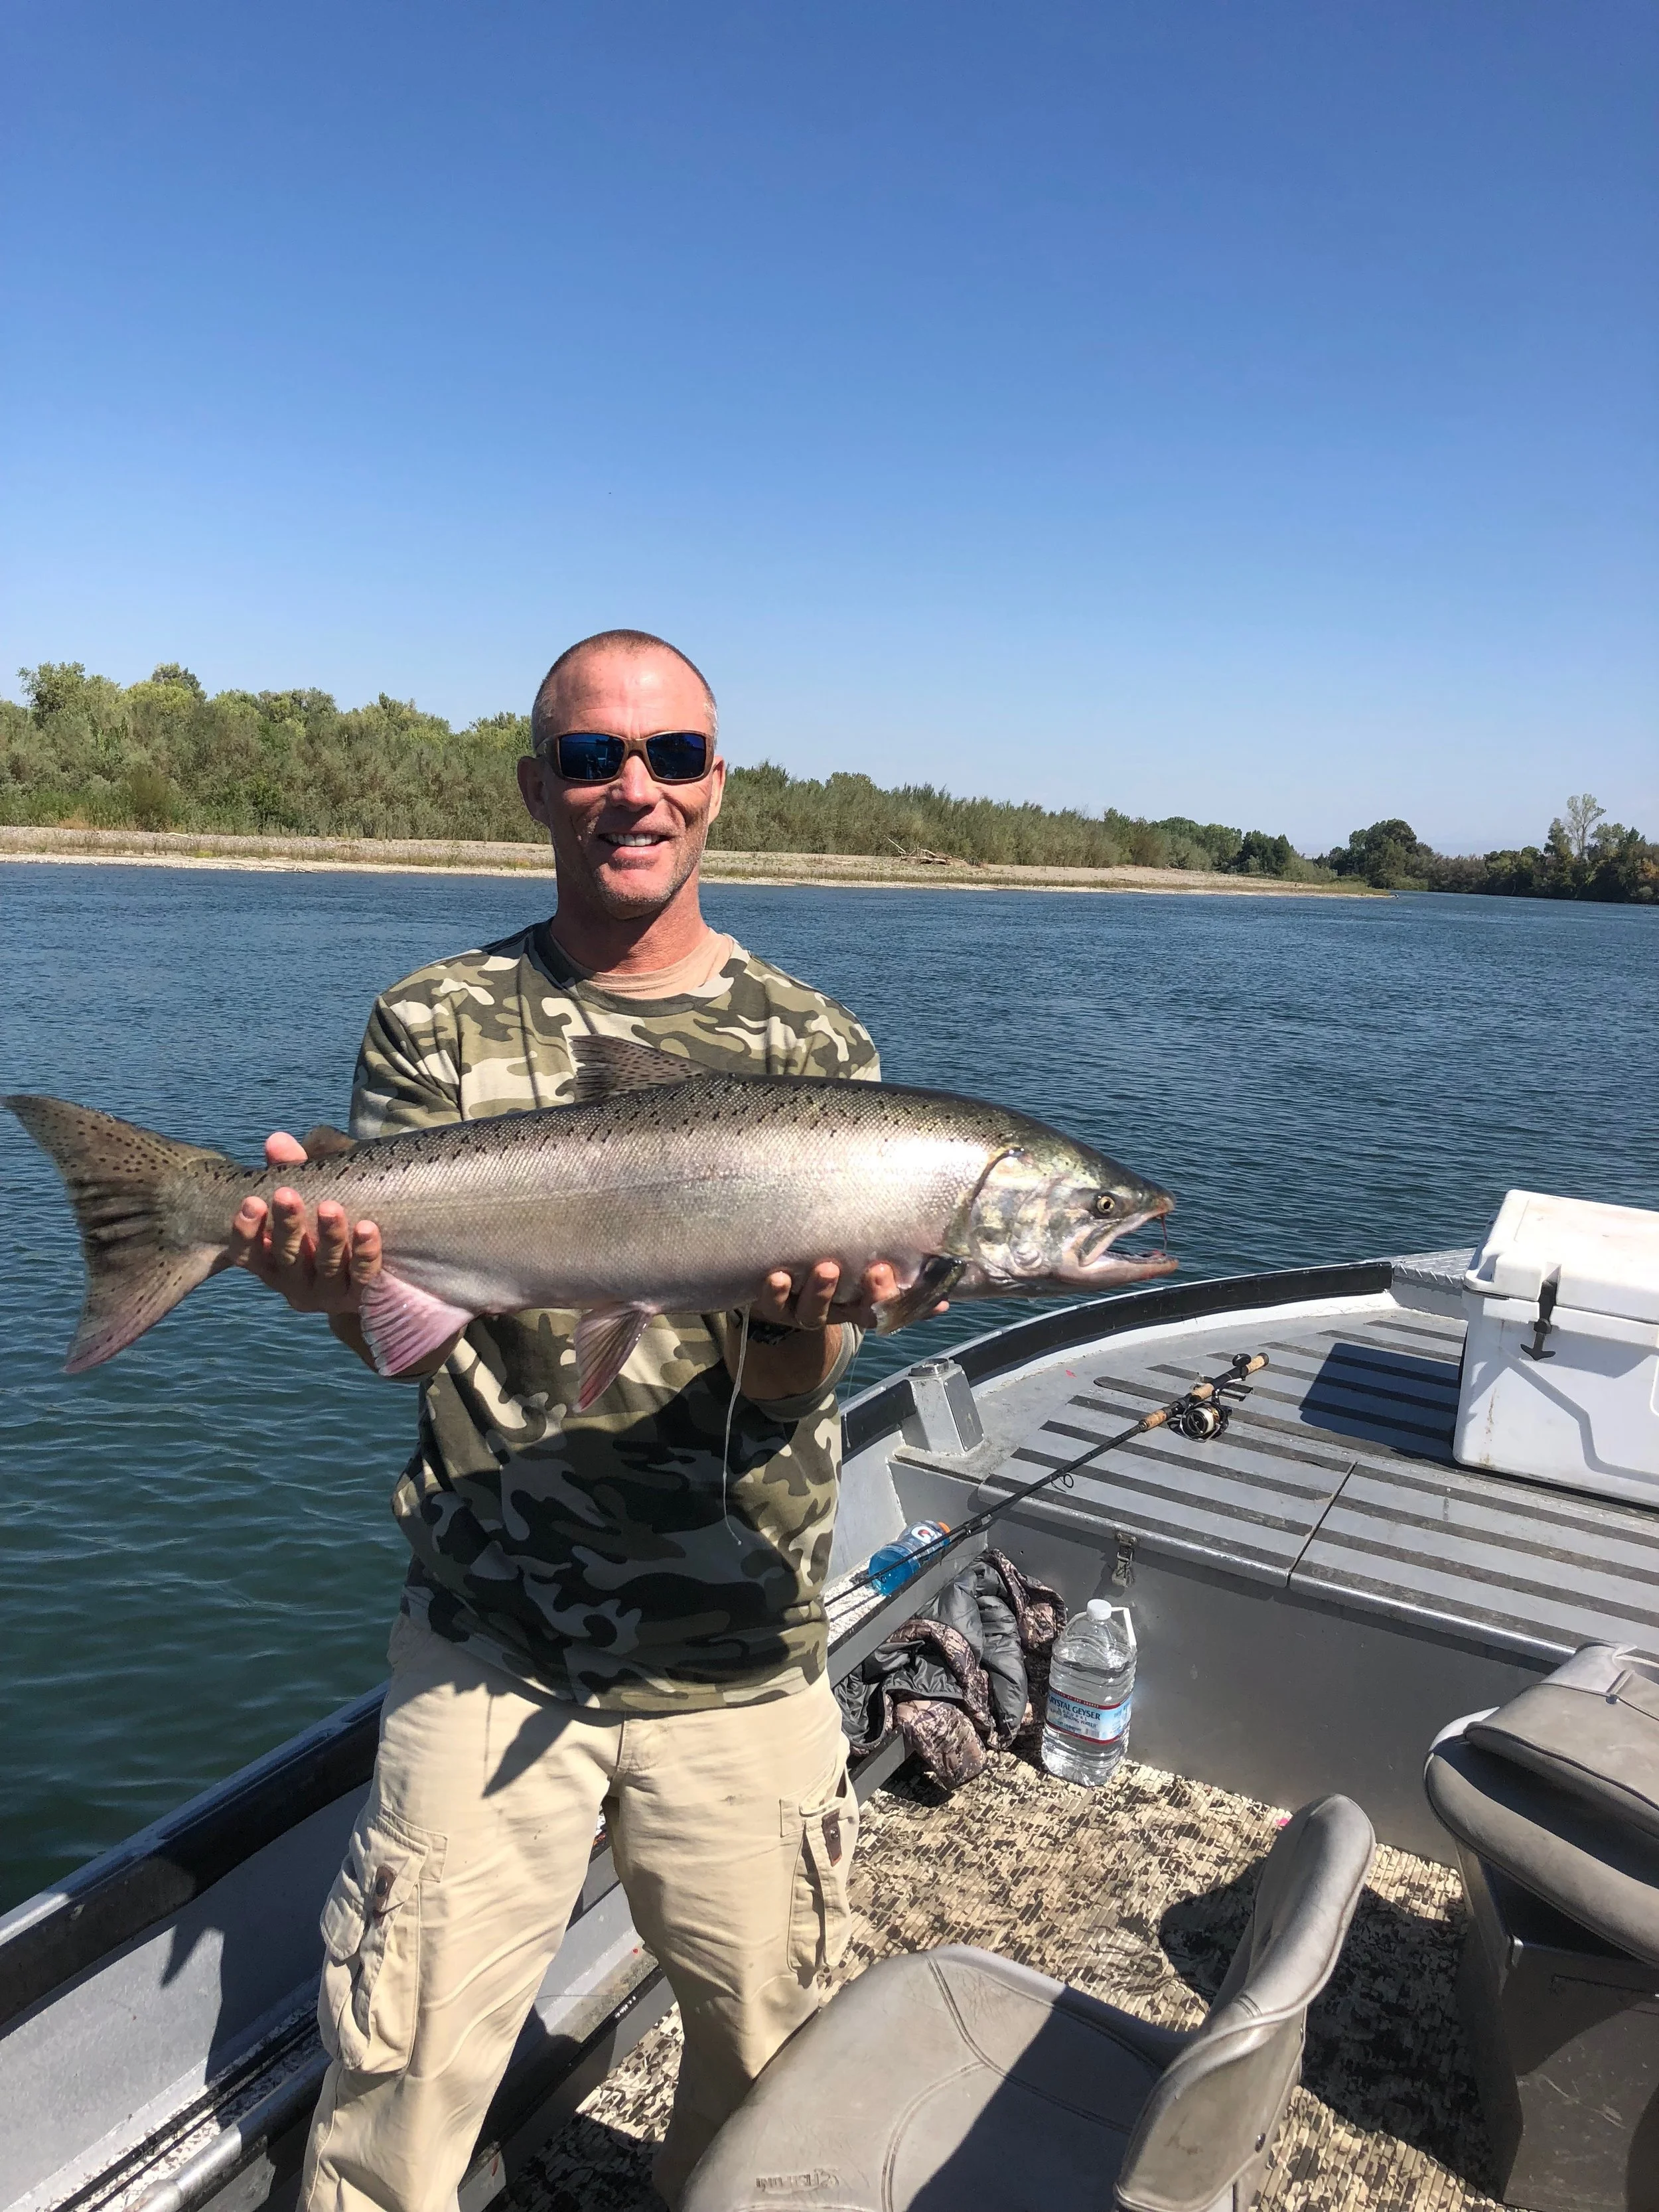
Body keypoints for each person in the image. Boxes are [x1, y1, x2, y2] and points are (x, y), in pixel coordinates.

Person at [226, 630, 940, 2212]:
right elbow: (407, 1348)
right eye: (595, 756)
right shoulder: (436, 1021)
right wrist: (326, 1283)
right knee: (390, 2105)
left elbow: (790, 1388)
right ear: (536, 784)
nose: (636, 787)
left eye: (671, 755)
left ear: (716, 784)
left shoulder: (819, 1057)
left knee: (781, 2089)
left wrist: (808, 1318)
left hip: (740, 1654)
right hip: (488, 1643)